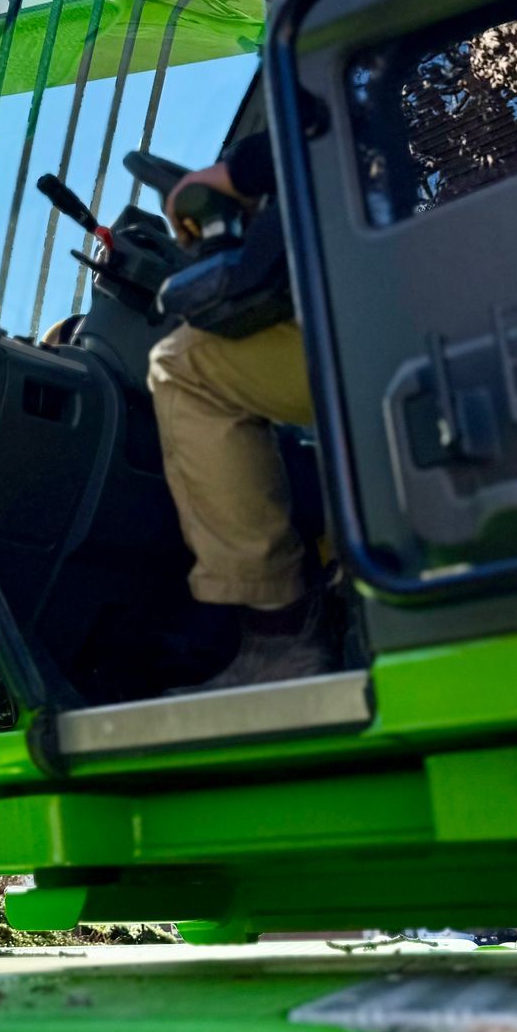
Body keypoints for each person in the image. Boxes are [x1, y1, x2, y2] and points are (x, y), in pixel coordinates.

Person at [146, 134, 335, 689]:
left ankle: (282, 636)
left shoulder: (330, 77)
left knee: (181, 365)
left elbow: (316, 118)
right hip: (449, 291)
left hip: (384, 315)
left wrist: (231, 177)